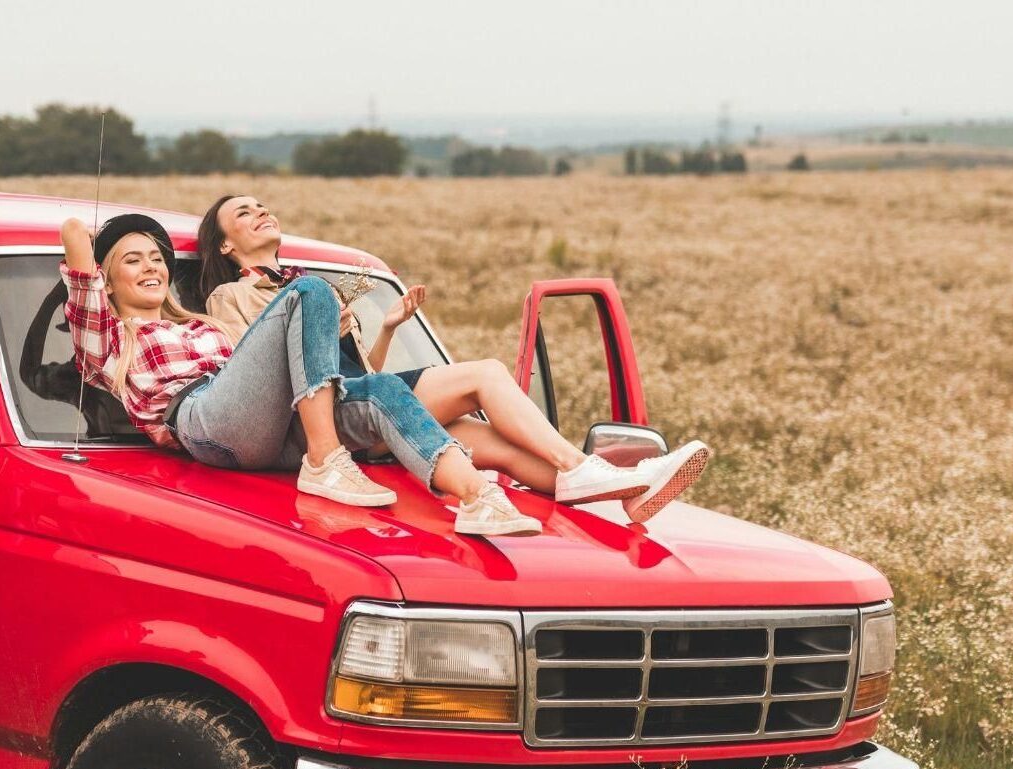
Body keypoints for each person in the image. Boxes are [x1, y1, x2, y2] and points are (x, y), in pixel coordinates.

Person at [196, 194, 710, 523]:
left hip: (365, 404)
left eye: (262, 206)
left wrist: (387, 327)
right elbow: (253, 381)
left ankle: (625, 493)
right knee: (485, 374)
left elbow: (366, 377)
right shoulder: (230, 297)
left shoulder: (313, 284)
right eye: (244, 213)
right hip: (324, 425)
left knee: (497, 446)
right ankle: (583, 467)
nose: (261, 212)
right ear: (223, 246)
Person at [59, 212, 547, 536]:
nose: (151, 267)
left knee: (382, 388)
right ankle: (325, 459)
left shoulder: (205, 326)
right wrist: (100, 241)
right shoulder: (109, 340)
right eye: (133, 260)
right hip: (202, 419)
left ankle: (477, 496)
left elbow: (265, 378)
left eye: (157, 259)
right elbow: (75, 240)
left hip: (270, 424)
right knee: (310, 290)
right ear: (107, 280)